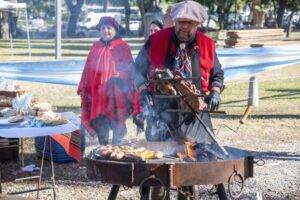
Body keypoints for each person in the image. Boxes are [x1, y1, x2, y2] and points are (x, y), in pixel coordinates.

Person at [134, 1, 225, 199]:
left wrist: (216, 92)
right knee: (156, 170)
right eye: (180, 22)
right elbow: (137, 69)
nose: (184, 26)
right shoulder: (156, 40)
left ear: (198, 24)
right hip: (161, 115)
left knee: (188, 172)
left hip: (194, 117)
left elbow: (217, 74)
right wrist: (143, 90)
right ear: (174, 22)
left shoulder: (208, 45)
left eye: (189, 23)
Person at [78, 16, 139, 145]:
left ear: (115, 29)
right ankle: (103, 151)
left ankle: (117, 153)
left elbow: (130, 71)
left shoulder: (123, 46)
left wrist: (120, 76)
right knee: (101, 127)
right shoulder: (95, 47)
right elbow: (87, 71)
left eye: (109, 28)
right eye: (103, 28)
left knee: (118, 128)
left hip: (117, 97)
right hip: (98, 96)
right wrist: (85, 88)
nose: (106, 30)